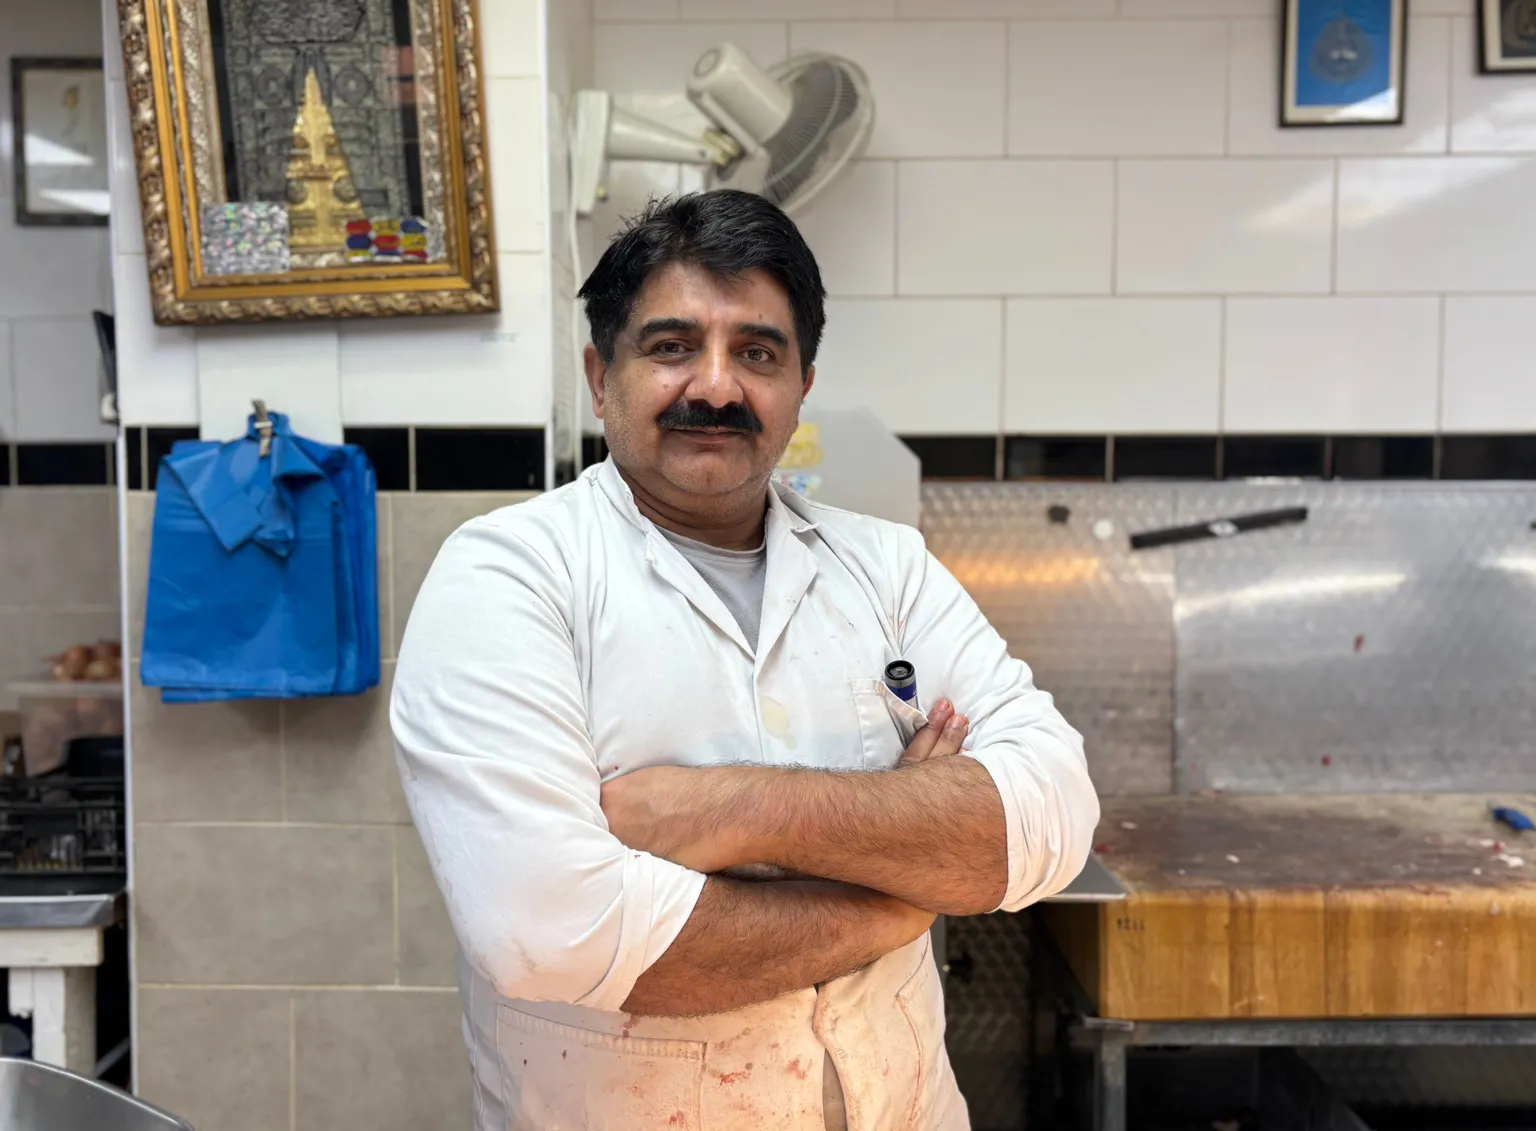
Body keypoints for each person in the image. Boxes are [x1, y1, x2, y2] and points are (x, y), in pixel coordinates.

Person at [390, 189, 1099, 1131]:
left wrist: (730, 807)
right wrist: (901, 890)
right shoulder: (509, 576)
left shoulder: (885, 565)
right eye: (672, 345)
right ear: (601, 376)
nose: (716, 386)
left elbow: (1050, 816)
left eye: (757, 352)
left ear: (802, 384)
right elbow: (549, 934)